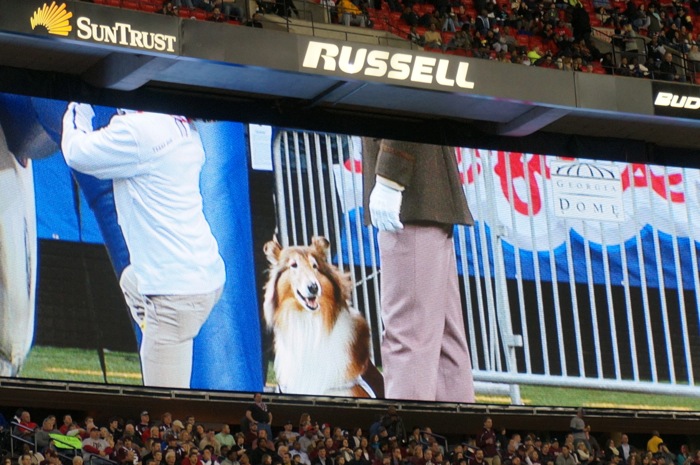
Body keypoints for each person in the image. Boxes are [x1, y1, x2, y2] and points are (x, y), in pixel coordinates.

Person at [61, 103, 226, 389]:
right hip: (205, 276)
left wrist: (79, 104)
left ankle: (157, 330)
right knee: (130, 280)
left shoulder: (138, 131)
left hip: (175, 296)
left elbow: (76, 152)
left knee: (165, 412)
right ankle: (155, 324)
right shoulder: (181, 126)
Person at [361, 138, 475, 403]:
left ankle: (406, 440)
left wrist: (390, 176)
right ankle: (462, 438)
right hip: (423, 195)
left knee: (408, 339)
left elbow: (407, 103)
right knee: (445, 344)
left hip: (410, 194)